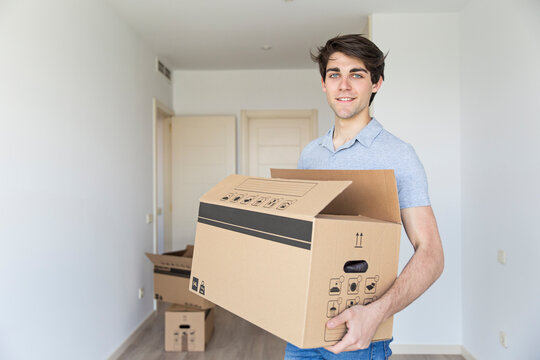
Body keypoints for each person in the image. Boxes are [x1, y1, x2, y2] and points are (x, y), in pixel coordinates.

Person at [284, 34, 444, 359]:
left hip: (360, 338)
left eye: (356, 74)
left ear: (376, 84)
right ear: (324, 84)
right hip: (302, 330)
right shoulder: (310, 154)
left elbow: (432, 254)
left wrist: (376, 313)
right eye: (334, 75)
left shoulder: (399, 155)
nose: (344, 85)